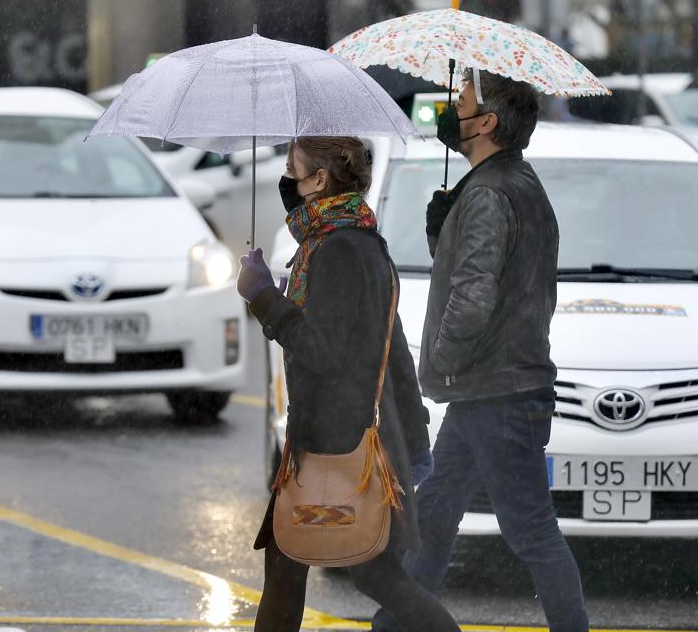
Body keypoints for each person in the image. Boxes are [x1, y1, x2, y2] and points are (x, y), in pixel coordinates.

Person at [373, 70, 589, 632]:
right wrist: (443, 231)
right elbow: (494, 271)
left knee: (532, 531)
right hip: (487, 393)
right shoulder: (510, 183)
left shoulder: (492, 192)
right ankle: (398, 623)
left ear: (487, 122)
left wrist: (439, 359)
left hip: (499, 391)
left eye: (461, 101)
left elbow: (473, 296)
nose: (450, 109)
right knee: (436, 514)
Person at [235, 136, 460, 632]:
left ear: (318, 181)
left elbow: (319, 350)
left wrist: (265, 299)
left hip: (340, 446)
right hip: (339, 436)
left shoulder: (337, 250)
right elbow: (393, 345)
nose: (286, 182)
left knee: (372, 576)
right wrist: (414, 437)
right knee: (291, 566)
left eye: (293, 170)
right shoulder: (352, 240)